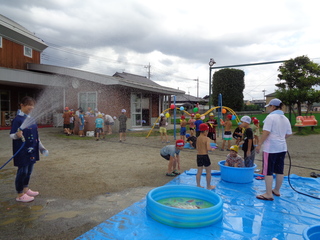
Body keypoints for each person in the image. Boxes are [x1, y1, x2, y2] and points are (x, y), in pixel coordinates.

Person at [10, 96, 48, 203]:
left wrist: (41, 148)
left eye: (32, 106)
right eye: (29, 105)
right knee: (22, 171)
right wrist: (17, 135)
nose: (31, 108)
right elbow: (12, 135)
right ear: (22, 105)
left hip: (32, 150)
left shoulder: (31, 119)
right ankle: (20, 194)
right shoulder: (17, 120)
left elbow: (37, 137)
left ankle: (26, 189)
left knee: (29, 171)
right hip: (22, 150)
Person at [255, 98, 292, 201]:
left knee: (268, 171)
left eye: (269, 106)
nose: (269, 109)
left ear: (273, 107)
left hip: (270, 148)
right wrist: (280, 138)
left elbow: (266, 133)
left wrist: (259, 144)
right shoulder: (285, 118)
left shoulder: (270, 118)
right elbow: (289, 133)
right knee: (279, 170)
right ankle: (276, 190)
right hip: (282, 147)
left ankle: (268, 193)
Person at [196, 123, 216, 190]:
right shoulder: (207, 138)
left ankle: (198, 185)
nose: (207, 133)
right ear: (205, 131)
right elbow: (208, 148)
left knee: (199, 171)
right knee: (208, 171)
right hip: (205, 155)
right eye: (207, 131)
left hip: (198, 155)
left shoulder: (198, 138)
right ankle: (208, 186)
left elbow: (197, 147)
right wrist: (212, 149)